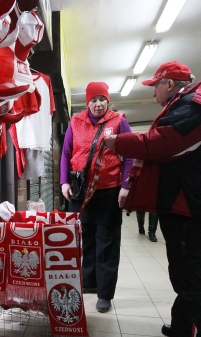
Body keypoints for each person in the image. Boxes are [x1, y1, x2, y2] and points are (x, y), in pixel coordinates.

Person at [102, 61, 201, 337]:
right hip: (181, 203)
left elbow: (164, 145)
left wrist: (119, 142)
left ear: (169, 84)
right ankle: (185, 328)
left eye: (156, 86)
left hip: (188, 206)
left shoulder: (198, 106)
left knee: (188, 277)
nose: (154, 93)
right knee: (183, 273)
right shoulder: (189, 104)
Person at [60, 81, 134, 313]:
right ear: (87, 101)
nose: (98, 104)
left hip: (109, 190)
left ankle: (105, 293)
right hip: (80, 191)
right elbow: (66, 153)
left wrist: (125, 185)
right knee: (84, 239)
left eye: (102, 99)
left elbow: (130, 154)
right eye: (93, 99)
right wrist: (63, 181)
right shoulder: (76, 121)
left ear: (108, 100)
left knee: (107, 241)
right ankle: (89, 282)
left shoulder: (118, 121)